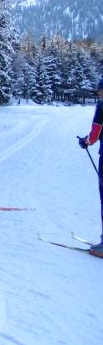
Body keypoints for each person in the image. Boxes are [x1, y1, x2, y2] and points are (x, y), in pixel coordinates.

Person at [78, 76, 103, 255]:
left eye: (99, 90)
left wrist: (85, 142)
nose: (98, 93)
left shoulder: (102, 106)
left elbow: (95, 134)